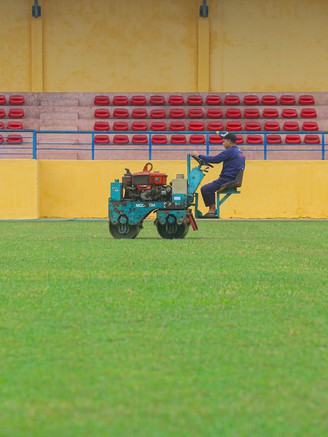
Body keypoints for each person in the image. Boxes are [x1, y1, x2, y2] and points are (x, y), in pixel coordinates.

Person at [191, 131, 246, 218]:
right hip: (232, 178)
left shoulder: (230, 151)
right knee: (207, 188)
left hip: (227, 179)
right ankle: (212, 209)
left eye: (224, 141)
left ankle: (212, 210)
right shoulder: (238, 151)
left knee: (205, 189)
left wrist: (199, 155)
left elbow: (216, 159)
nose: (222, 143)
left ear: (229, 142)